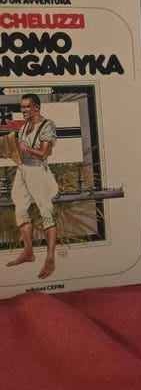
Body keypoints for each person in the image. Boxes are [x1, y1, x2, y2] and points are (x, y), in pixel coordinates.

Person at [7, 93, 58, 279]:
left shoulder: (47, 125)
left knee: (46, 212)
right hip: (23, 170)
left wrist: (25, 148)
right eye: (22, 107)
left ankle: (50, 259)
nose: (24, 110)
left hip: (38, 171)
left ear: (37, 107)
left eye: (27, 106)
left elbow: (44, 153)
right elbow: (20, 153)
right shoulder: (23, 128)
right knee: (20, 209)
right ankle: (28, 252)